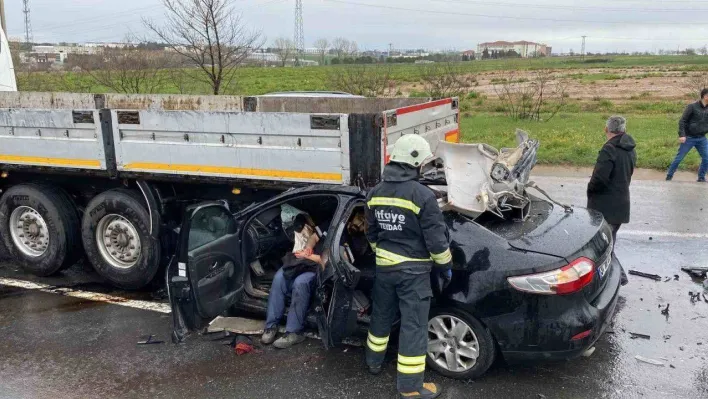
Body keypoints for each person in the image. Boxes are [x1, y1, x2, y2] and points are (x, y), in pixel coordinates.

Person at [364, 135, 452, 399]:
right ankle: (410, 387)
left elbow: (371, 233)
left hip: (385, 270)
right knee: (413, 326)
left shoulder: (375, 192)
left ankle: (373, 363)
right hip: (413, 274)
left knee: (380, 316)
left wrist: (382, 255)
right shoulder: (423, 196)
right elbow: (436, 241)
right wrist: (445, 265)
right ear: (414, 162)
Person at [261, 214, 330, 349]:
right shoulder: (329, 224)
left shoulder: (347, 236)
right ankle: (271, 326)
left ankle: (294, 332)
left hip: (319, 266)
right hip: (305, 260)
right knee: (279, 277)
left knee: (300, 283)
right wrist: (308, 248)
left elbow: (334, 260)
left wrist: (312, 256)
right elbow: (313, 237)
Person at [587, 116, 636, 286]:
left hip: (605, 206)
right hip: (622, 204)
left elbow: (599, 180)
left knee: (603, 246)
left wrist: (590, 190)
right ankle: (616, 277)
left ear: (605, 129)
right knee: (609, 242)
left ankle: (617, 277)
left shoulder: (609, 149)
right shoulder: (630, 148)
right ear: (624, 130)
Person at [666, 88, 708, 182]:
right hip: (689, 137)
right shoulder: (692, 106)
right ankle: (669, 176)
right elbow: (682, 121)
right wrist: (682, 135)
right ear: (705, 96)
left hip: (702, 138)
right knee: (679, 158)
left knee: (707, 158)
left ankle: (701, 178)